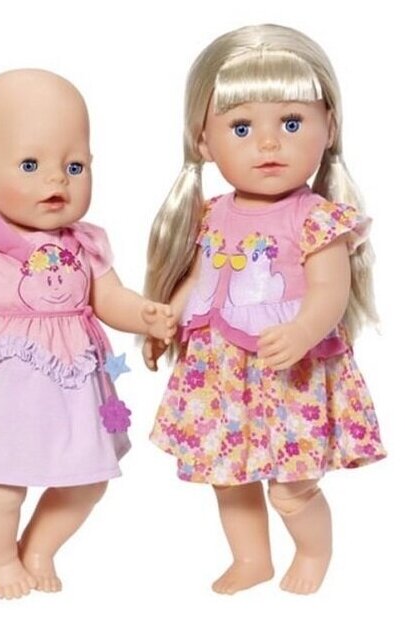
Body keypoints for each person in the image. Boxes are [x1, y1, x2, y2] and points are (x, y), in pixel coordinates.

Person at [0, 69, 177, 600]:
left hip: (70, 399)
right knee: (1, 489)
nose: (57, 180)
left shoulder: (84, 245)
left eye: (75, 166)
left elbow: (108, 298)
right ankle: (1, 559)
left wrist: (143, 315)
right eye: (30, 165)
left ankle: (40, 547)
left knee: (88, 481)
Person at [143, 24, 386, 595]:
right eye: (242, 127)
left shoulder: (315, 217)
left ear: (329, 128)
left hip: (289, 373)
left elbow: (329, 289)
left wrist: (303, 329)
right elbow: (201, 279)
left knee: (291, 488)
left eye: (292, 123)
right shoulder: (211, 213)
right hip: (220, 376)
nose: (269, 144)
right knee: (227, 477)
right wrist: (165, 322)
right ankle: (252, 558)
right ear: (204, 142)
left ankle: (313, 551)